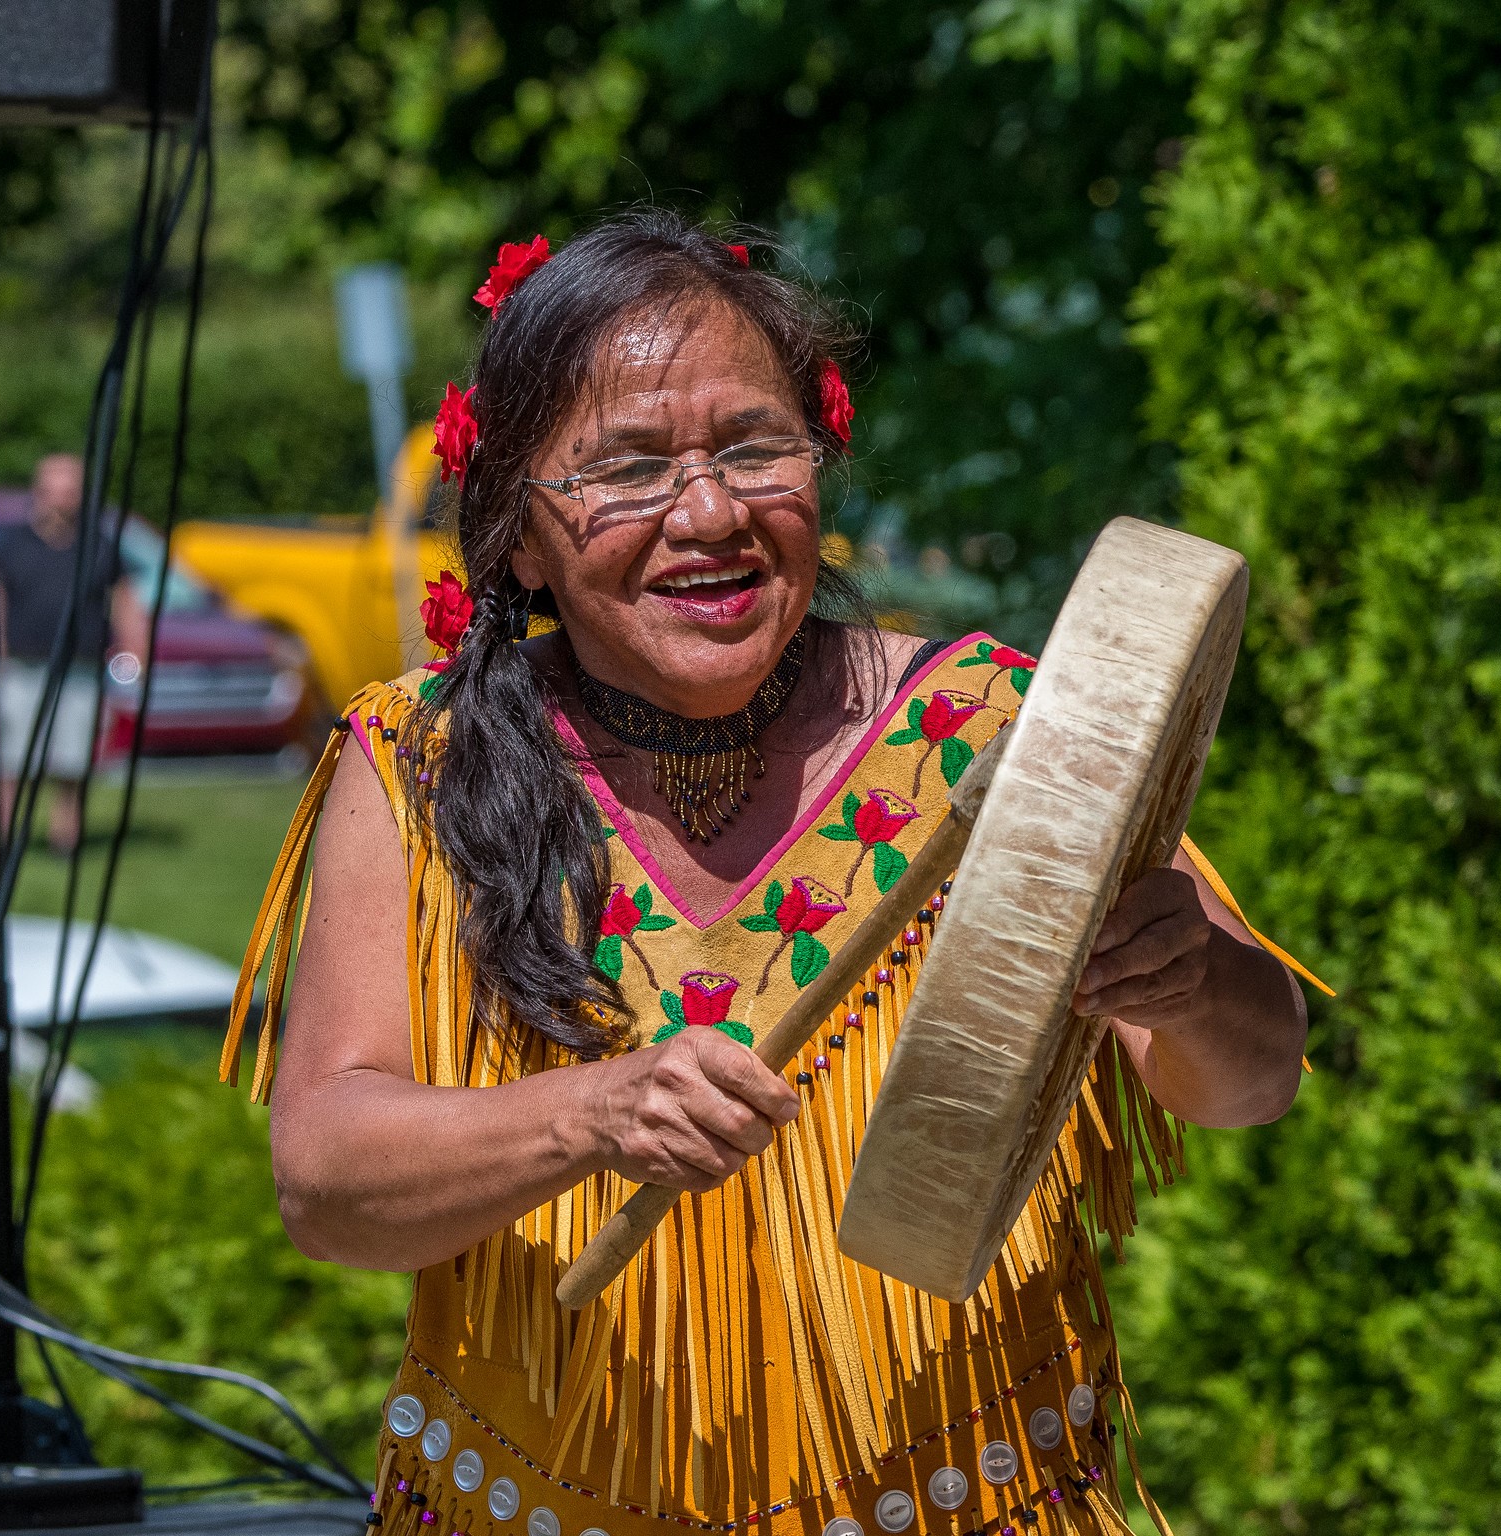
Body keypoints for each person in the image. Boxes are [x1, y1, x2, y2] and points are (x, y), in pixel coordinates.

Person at [224, 212, 1313, 1536]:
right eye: (626, 471)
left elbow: (1253, 1081)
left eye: (754, 449)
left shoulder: (993, 732)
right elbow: (326, 1176)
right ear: (516, 536)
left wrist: (1192, 982)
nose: (709, 512)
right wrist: (590, 1115)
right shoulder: (420, 763)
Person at [0, 452, 145, 854]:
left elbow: (125, 600)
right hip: (23, 667)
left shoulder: (100, 545)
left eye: (70, 491)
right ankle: (6, 840)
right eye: (54, 491)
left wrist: (135, 654)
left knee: (73, 762)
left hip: (82, 668)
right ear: (38, 493)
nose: (61, 500)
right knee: (12, 759)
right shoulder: (13, 543)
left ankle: (66, 841)